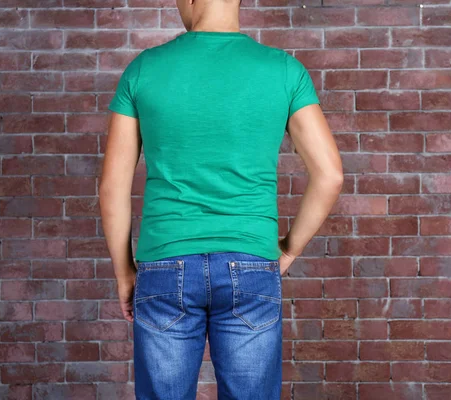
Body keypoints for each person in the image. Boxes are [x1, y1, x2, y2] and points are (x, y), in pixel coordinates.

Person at [98, 0, 343, 398]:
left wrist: (125, 273)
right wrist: (289, 251)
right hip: (251, 260)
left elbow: (112, 186)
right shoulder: (283, 70)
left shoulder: (145, 68)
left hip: (164, 263)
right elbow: (330, 175)